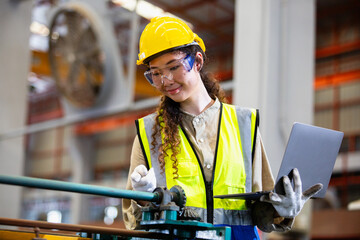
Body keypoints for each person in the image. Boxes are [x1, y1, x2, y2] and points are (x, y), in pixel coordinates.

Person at [122, 16, 322, 239]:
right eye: (155, 73)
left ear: (197, 61)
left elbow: (261, 209)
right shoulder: (149, 133)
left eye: (173, 67)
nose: (165, 80)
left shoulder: (244, 125)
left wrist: (283, 210)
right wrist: (142, 198)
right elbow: (133, 222)